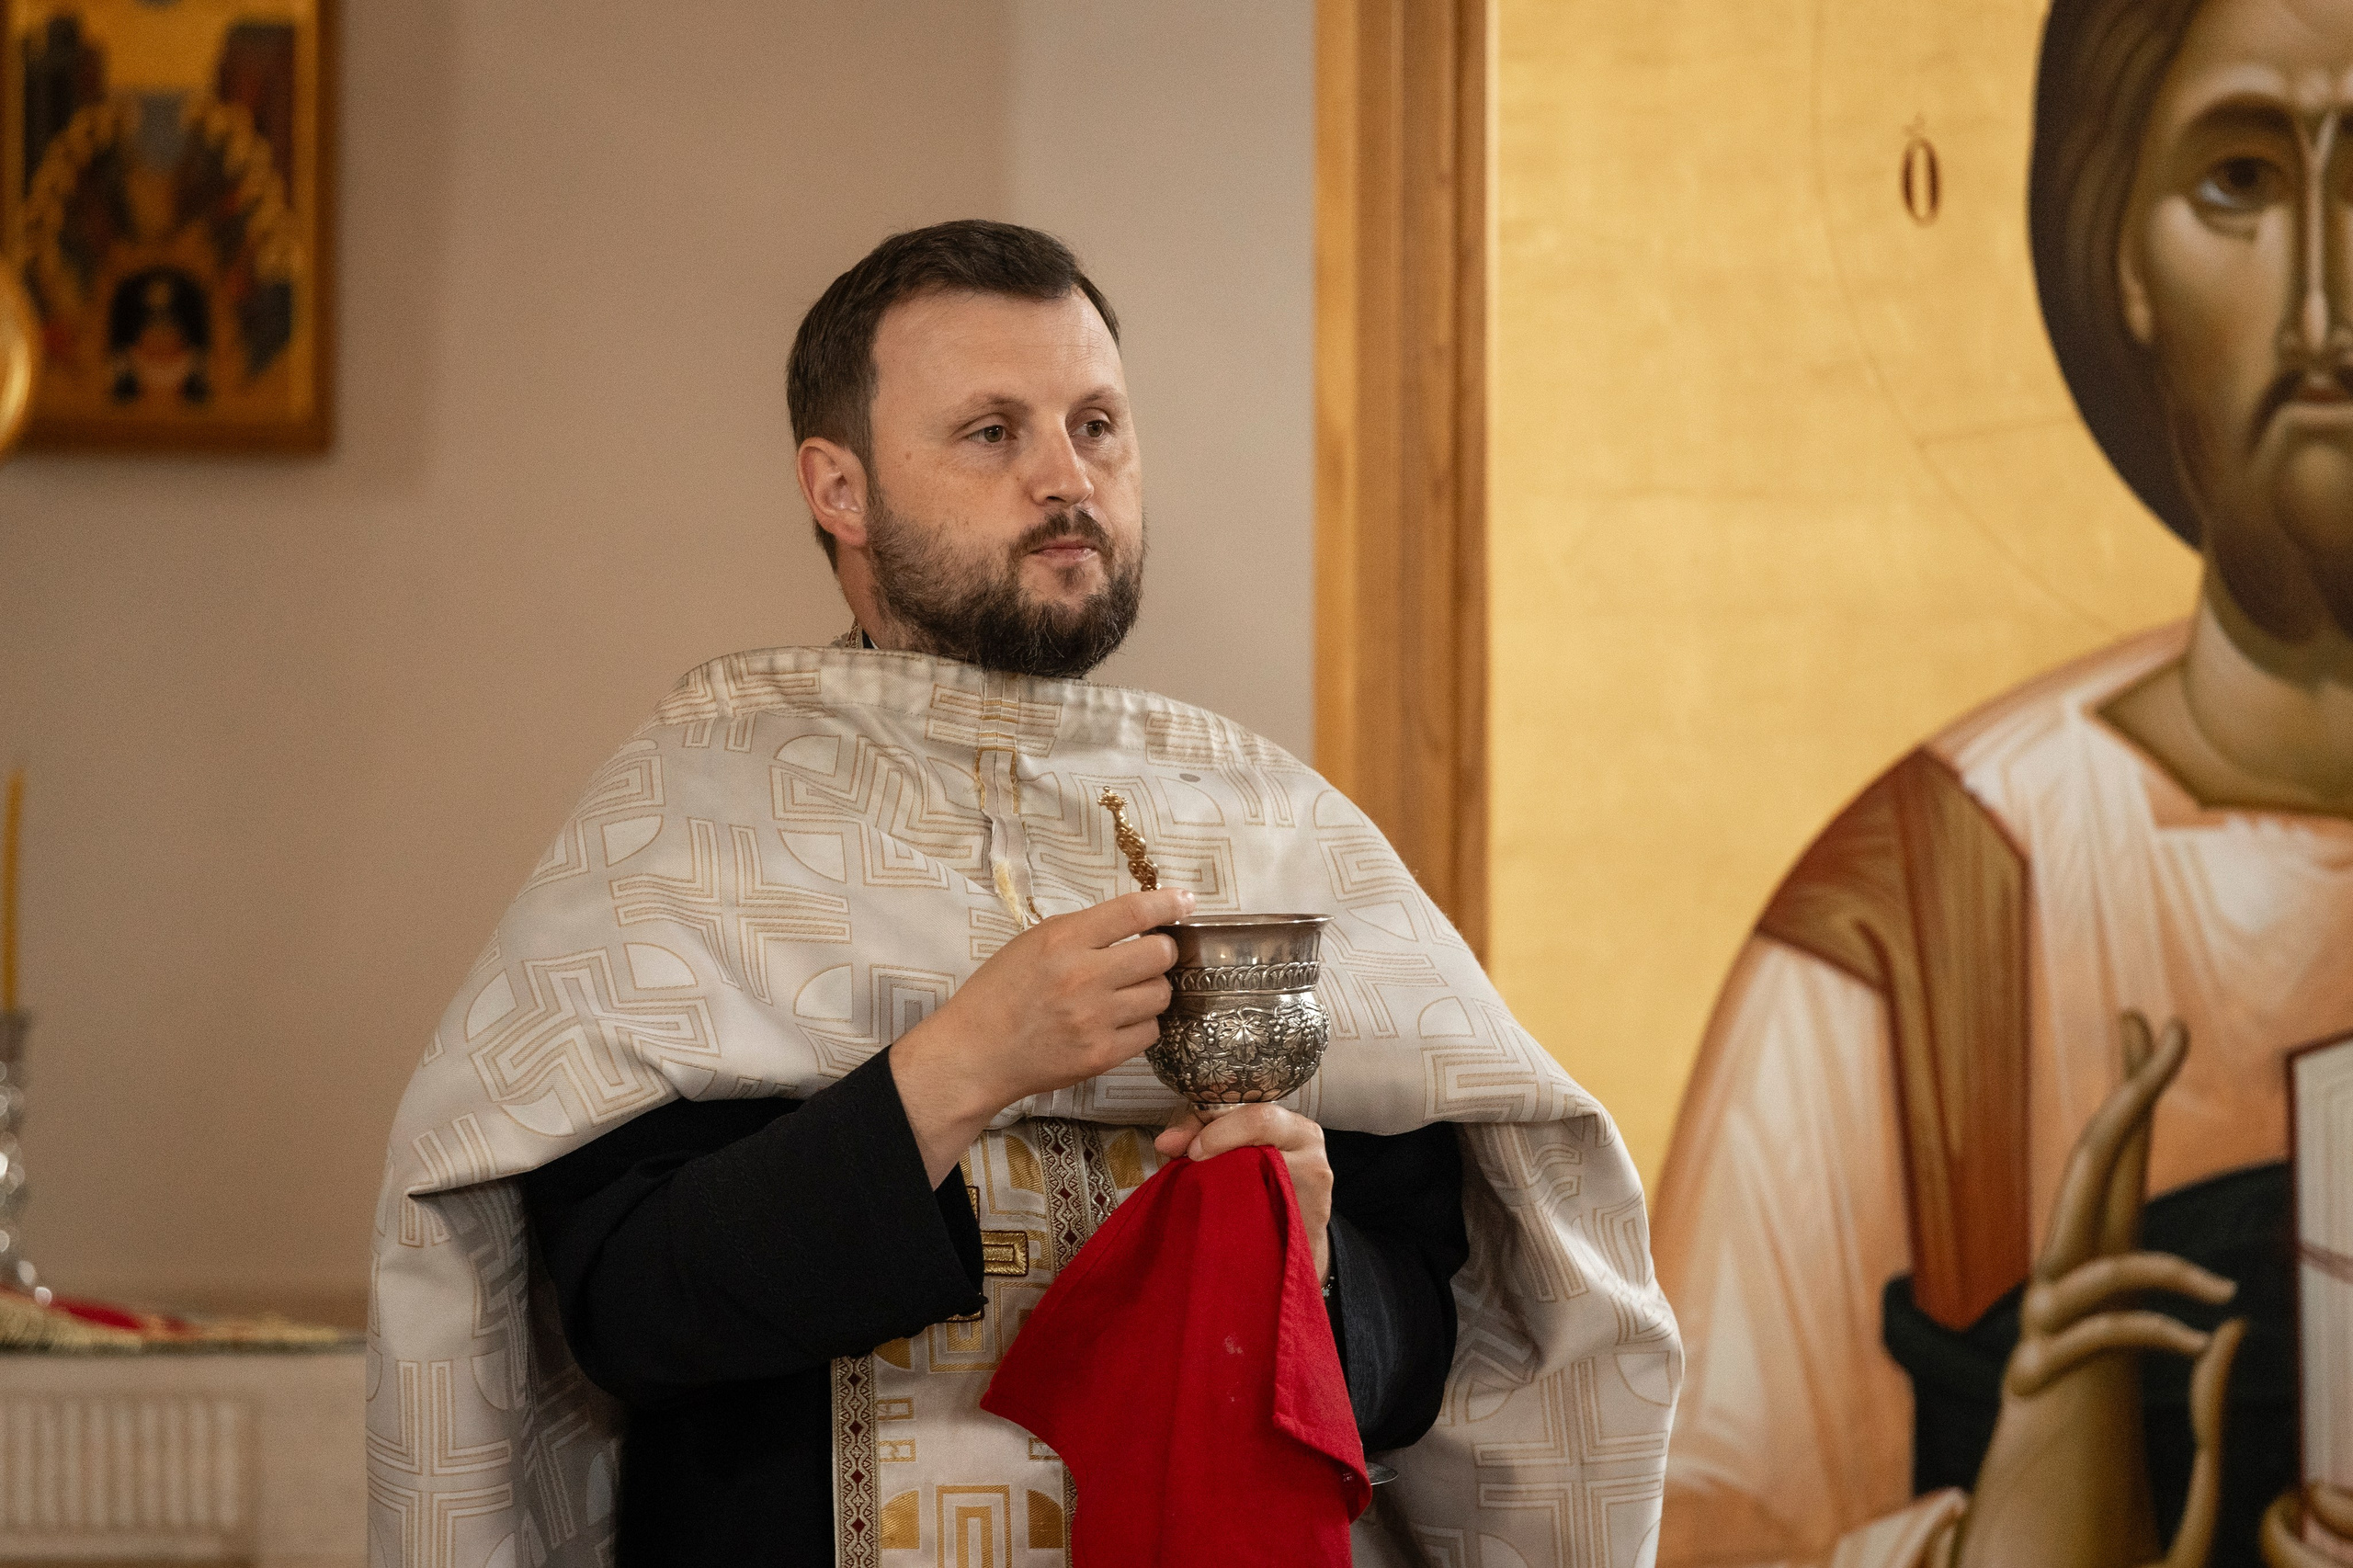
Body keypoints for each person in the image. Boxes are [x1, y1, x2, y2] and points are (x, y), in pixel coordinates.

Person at [368, 221, 1677, 1568]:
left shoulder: (1272, 829)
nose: (1067, 478)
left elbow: (1417, 1366)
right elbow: (628, 1314)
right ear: (841, 487)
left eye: (1097, 425)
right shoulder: (691, 824)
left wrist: (1316, 1264)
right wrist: (958, 1067)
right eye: (993, 432)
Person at [1652, 1, 2353, 1564]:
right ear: (2120, 258)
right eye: (2240, 180)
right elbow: (1693, 1530)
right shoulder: (1923, 913)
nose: (2325, 305)